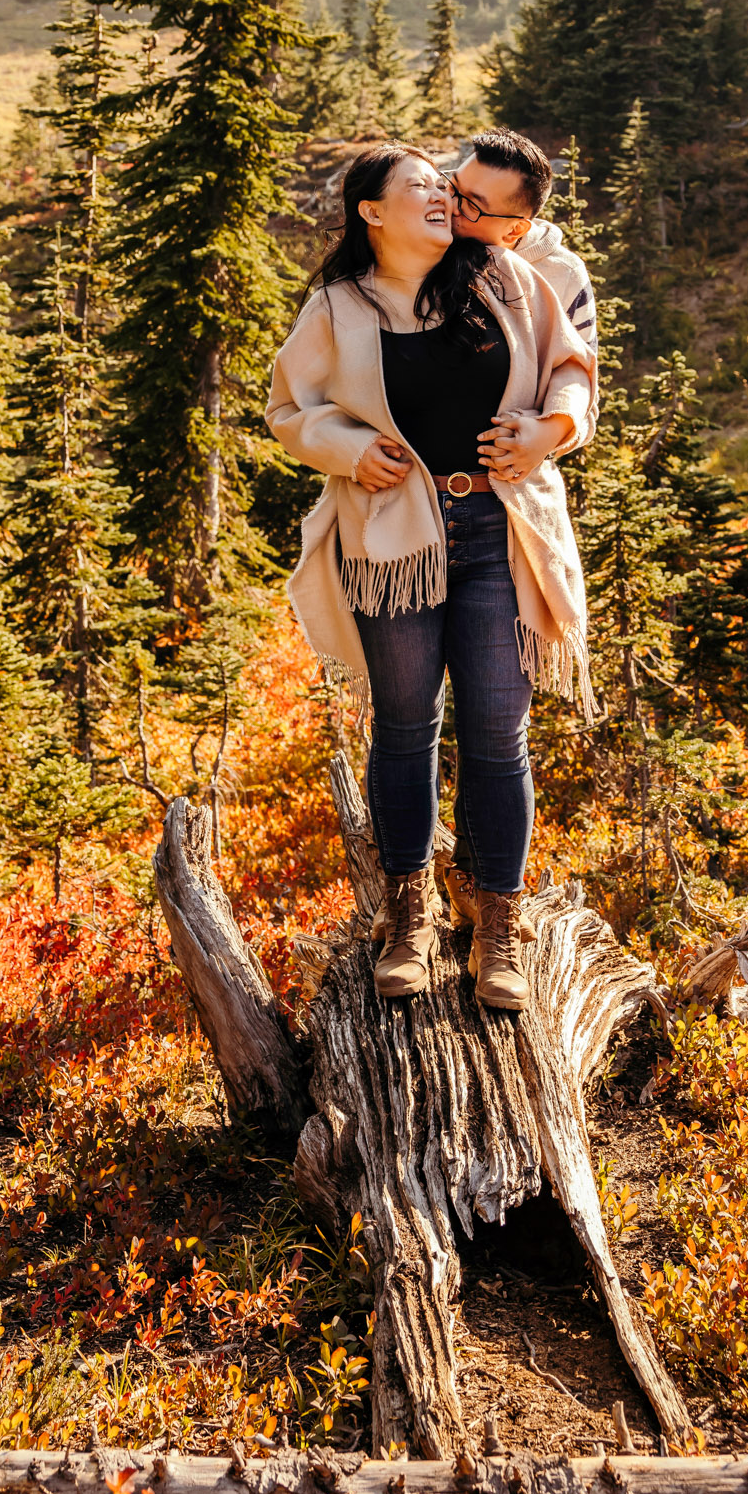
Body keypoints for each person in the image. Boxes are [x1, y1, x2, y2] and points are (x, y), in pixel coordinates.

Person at [265, 144, 597, 1016]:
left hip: (501, 526)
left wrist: (549, 429)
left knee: (498, 732)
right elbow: (287, 411)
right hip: (395, 536)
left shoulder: (502, 277)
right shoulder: (339, 305)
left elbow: (571, 368)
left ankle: (498, 925)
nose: (443, 199)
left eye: (447, 189)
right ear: (371, 212)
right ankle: (408, 917)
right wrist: (345, 448)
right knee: (407, 727)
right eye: (424, 187)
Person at [448, 129, 599, 407]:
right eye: (451, 185)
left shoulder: (562, 274)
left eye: (471, 204)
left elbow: (580, 376)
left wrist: (548, 428)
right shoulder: (426, 242)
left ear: (515, 229)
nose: (450, 206)